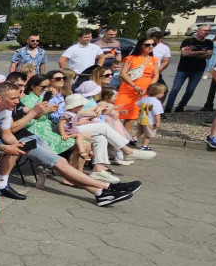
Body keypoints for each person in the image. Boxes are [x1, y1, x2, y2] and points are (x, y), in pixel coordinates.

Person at [11, 76, 142, 205]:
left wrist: (44, 108)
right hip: (23, 138)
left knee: (67, 159)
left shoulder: (18, 103)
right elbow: (12, 129)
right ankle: (107, 187)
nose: (23, 89)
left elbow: (33, 113)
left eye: (23, 86)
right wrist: (36, 111)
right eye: (19, 87)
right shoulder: (9, 106)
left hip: (32, 135)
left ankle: (101, 191)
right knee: (62, 163)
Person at [113, 36, 160, 134]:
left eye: (153, 44)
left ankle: (123, 136)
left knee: (134, 115)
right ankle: (114, 132)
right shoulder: (131, 58)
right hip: (128, 88)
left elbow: (156, 75)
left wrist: (148, 88)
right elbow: (123, 73)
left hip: (144, 90)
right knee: (117, 110)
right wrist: (134, 86)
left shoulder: (154, 60)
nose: (150, 46)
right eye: (147, 45)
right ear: (141, 46)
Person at [166, 24, 214, 112]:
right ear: (198, 30)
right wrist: (202, 52)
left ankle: (181, 106)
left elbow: (209, 56)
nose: (206, 32)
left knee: (190, 90)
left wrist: (192, 53)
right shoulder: (188, 41)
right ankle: (168, 107)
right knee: (175, 89)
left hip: (198, 70)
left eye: (208, 31)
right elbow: (184, 54)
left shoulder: (209, 43)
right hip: (183, 69)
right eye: (205, 30)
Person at [136, 84, 166, 150]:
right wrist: (158, 122)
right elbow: (157, 113)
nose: (164, 93)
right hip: (150, 121)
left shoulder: (144, 99)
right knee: (148, 135)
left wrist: (139, 97)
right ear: (158, 93)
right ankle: (144, 146)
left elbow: (137, 104)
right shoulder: (157, 102)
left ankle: (134, 138)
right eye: (163, 92)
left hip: (141, 119)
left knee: (140, 130)